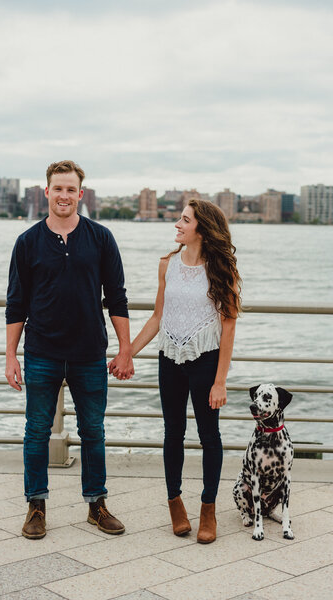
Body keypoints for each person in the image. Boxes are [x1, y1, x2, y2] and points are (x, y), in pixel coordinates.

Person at [5, 160, 134, 539]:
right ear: (46, 192)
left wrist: (125, 350)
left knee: (93, 430)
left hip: (89, 353)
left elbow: (118, 299)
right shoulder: (27, 242)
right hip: (41, 352)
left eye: (70, 189)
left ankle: (96, 505)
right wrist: (11, 356)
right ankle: (36, 507)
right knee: (36, 432)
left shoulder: (101, 238)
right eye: (57, 188)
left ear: (81, 193)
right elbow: (16, 304)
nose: (64, 195)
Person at [127, 199, 241, 544]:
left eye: (185, 220)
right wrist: (126, 354)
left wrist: (220, 381)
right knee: (173, 431)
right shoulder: (167, 265)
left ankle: (208, 509)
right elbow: (157, 317)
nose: (177, 224)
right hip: (170, 357)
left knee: (210, 437)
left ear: (202, 230)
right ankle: (175, 503)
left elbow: (229, 328)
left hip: (205, 360)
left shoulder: (223, 271)